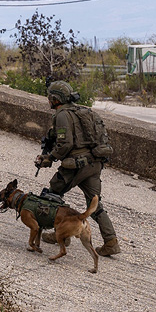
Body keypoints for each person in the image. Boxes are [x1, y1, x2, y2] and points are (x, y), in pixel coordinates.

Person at [35, 81, 121, 256]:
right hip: (94, 164)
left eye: (50, 97)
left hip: (75, 166)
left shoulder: (62, 115)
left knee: (53, 194)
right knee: (94, 203)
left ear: (55, 99)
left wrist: (49, 158)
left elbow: (65, 144)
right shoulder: (81, 111)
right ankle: (111, 241)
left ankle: (62, 236)